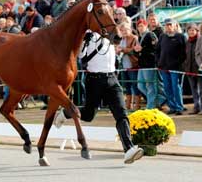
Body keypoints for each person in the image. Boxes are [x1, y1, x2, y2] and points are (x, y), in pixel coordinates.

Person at [54, 30, 144, 164]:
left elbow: (119, 42)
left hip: (112, 78)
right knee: (89, 115)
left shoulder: (112, 33)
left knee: (121, 114)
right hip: (94, 79)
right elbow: (81, 56)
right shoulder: (87, 35)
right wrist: (85, 41)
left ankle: (129, 149)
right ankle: (66, 112)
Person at [156, 18, 186, 115]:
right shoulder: (162, 36)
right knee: (167, 87)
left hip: (176, 68)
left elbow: (184, 53)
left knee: (175, 87)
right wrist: (158, 62)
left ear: (175, 26)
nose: (168, 27)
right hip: (164, 67)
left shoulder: (181, 37)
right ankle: (172, 106)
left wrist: (179, 63)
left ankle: (179, 107)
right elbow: (157, 50)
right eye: (166, 25)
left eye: (170, 24)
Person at [134, 19, 164, 109]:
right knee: (140, 85)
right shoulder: (140, 36)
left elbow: (155, 49)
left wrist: (141, 49)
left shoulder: (150, 35)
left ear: (146, 26)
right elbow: (139, 51)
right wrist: (136, 50)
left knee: (150, 85)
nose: (140, 28)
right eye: (138, 26)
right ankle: (158, 100)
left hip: (149, 64)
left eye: (142, 26)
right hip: (142, 64)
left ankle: (150, 106)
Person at [184, 23, 202, 115]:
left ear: (197, 31)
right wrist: (185, 67)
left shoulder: (200, 40)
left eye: (193, 30)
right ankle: (196, 107)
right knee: (194, 90)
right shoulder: (187, 42)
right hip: (189, 70)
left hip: (199, 69)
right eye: (189, 30)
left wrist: (201, 65)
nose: (191, 32)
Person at [116, 23, 141, 110]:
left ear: (130, 30)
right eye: (122, 30)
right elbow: (118, 49)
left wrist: (122, 49)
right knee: (126, 86)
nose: (124, 31)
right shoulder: (121, 39)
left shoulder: (134, 38)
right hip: (123, 66)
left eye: (126, 29)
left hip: (132, 65)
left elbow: (134, 50)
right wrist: (118, 51)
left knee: (135, 85)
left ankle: (137, 105)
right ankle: (128, 105)